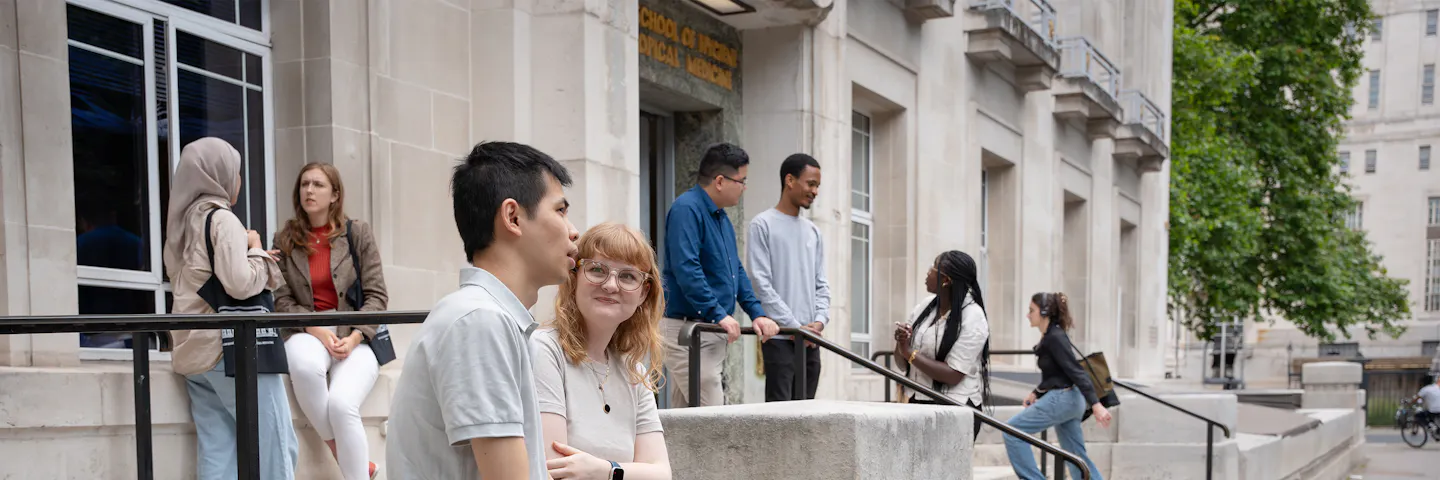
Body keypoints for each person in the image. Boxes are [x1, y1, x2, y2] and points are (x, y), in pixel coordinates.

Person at [386, 141, 579, 480]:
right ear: (513, 216)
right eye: (560, 210)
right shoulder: (480, 320)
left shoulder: (490, 317)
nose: (573, 229)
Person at [163, 137, 297, 479]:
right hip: (228, 351)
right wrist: (257, 250)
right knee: (276, 445)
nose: (237, 180)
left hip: (192, 352)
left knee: (218, 451)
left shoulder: (181, 222)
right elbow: (238, 283)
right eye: (235, 172)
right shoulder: (222, 220)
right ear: (219, 174)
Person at [271, 163, 388, 480]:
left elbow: (377, 296)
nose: (309, 190)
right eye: (304, 184)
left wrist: (354, 338)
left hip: (355, 335)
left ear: (335, 194)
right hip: (306, 329)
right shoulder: (284, 239)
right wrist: (313, 329)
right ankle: (355, 464)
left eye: (318, 185)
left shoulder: (357, 233)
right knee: (306, 368)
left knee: (341, 404)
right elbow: (280, 300)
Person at [532, 223, 672, 480]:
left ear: (644, 293)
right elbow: (554, 470)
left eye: (628, 276)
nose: (610, 285)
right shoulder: (545, 351)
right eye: (597, 270)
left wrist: (605, 470)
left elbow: (661, 473)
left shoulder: (634, 373)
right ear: (574, 277)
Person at [660, 142, 778, 408]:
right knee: (712, 414)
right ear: (721, 181)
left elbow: (735, 270)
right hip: (688, 330)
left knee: (684, 417)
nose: (745, 187)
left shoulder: (721, 217)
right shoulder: (686, 209)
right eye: (742, 180)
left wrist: (757, 312)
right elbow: (686, 268)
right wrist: (717, 313)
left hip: (708, 329)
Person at [746, 153, 830, 402]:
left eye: (817, 186)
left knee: (807, 417)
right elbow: (761, 283)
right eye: (811, 183)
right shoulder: (762, 225)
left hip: (811, 341)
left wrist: (819, 320)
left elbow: (822, 284)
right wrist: (793, 325)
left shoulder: (813, 232)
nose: (814, 191)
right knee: (778, 421)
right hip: (781, 337)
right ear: (790, 180)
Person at [1003, 292, 1111, 480]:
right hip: (1068, 399)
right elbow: (1056, 374)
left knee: (1013, 432)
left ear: (1044, 312)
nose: (1028, 315)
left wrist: (1096, 404)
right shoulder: (1051, 336)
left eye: (1031, 311)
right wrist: (1036, 392)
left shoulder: (1055, 337)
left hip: (1064, 398)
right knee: (1077, 457)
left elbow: (1076, 371)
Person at [893, 251, 991, 439]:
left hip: (954, 409)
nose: (927, 272)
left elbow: (953, 375)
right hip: (919, 402)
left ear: (945, 280)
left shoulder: (973, 317)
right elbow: (902, 362)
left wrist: (909, 352)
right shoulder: (926, 306)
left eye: (933, 267)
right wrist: (901, 343)